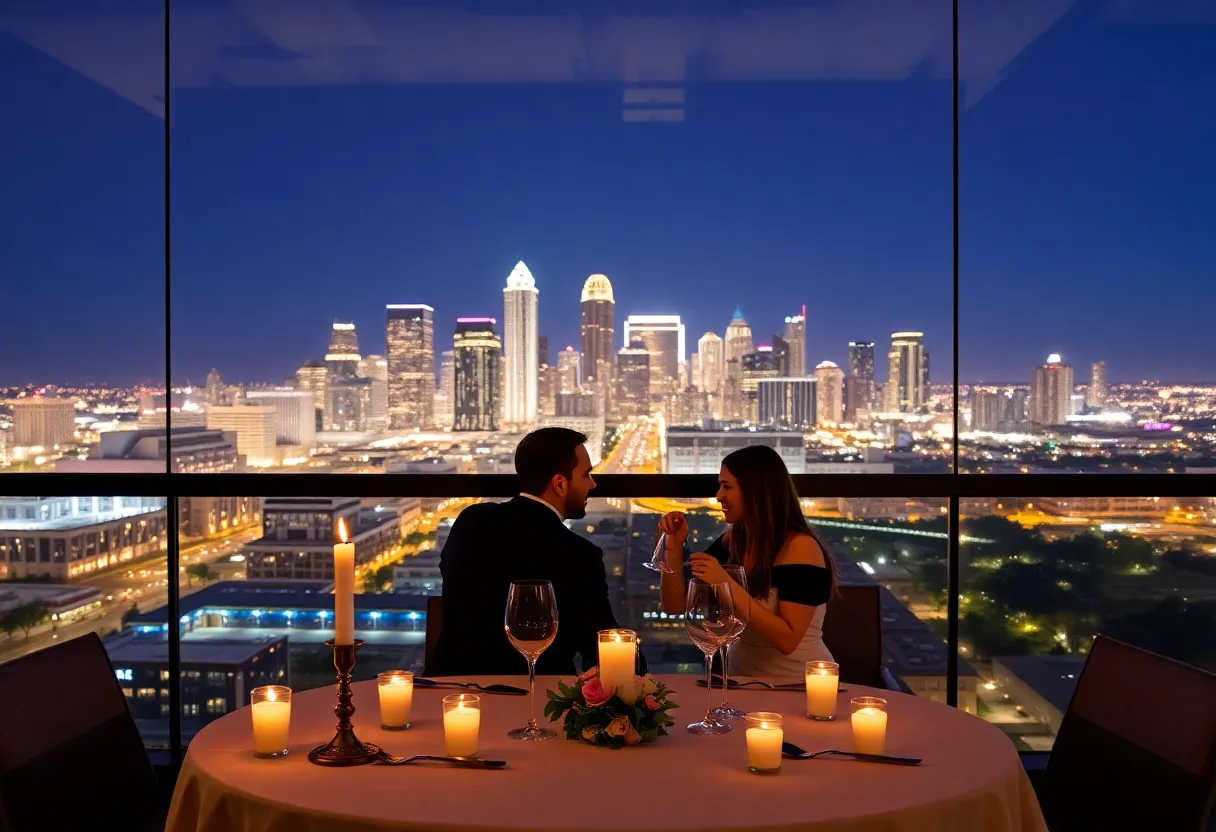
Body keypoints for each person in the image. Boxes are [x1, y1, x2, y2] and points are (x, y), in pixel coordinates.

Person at [428, 427, 643, 677]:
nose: (593, 484)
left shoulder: (470, 520)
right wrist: (640, 668)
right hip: (536, 698)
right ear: (560, 483)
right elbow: (600, 643)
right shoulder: (578, 555)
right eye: (586, 475)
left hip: (449, 691)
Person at [657, 444, 836, 677]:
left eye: (727, 486)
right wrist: (672, 546)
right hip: (741, 680)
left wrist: (726, 584)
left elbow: (787, 640)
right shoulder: (733, 542)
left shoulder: (801, 547)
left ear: (756, 492)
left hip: (797, 684)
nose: (718, 495)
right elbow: (674, 605)